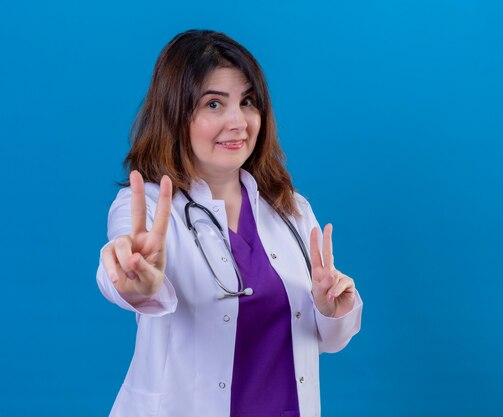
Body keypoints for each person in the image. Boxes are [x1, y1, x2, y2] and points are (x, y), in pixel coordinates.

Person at [96, 29, 363, 417]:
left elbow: (327, 339)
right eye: (214, 104)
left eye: (248, 101)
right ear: (175, 113)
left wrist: (331, 308)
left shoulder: (291, 209)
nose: (238, 122)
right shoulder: (148, 208)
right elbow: (120, 270)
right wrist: (136, 282)